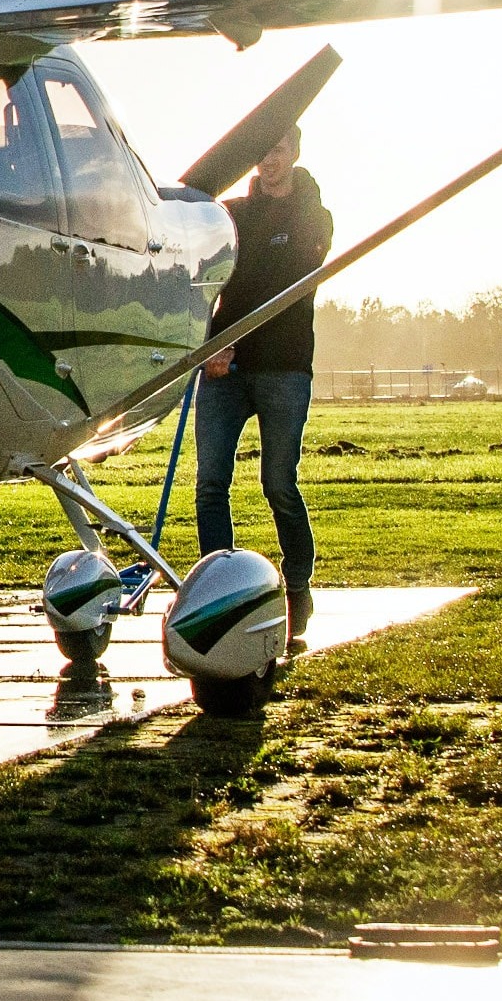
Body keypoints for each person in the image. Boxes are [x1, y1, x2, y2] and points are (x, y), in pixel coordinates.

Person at [194, 129, 331, 641]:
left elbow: (293, 274)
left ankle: (296, 586)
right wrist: (210, 343)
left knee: (278, 483)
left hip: (285, 366)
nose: (269, 161)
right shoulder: (230, 216)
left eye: (277, 151)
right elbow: (205, 282)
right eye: (262, 152)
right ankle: (220, 594)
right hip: (224, 369)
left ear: (294, 151)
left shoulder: (314, 215)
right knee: (210, 486)